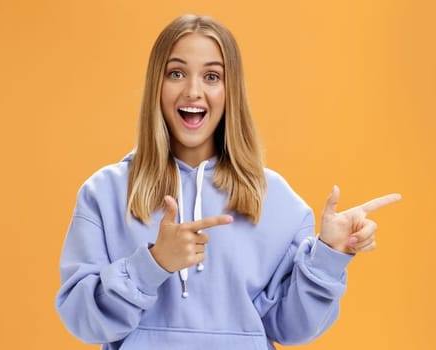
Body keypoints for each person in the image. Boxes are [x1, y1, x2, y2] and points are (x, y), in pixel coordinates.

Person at [54, 14, 401, 350]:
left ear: (230, 89)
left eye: (212, 77)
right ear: (156, 86)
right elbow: (82, 320)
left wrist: (328, 255)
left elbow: (292, 329)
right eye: (176, 73)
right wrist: (154, 264)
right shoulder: (104, 194)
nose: (193, 91)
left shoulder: (277, 201)